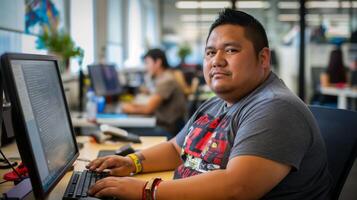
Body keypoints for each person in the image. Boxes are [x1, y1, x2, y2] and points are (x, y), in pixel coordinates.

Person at [86, 9, 332, 199]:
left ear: (263, 58)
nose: (217, 61)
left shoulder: (276, 107)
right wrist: (133, 162)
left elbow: (237, 188)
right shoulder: (217, 103)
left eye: (231, 50)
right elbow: (175, 150)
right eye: (210, 52)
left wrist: (147, 191)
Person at [121, 48, 187, 138]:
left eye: (148, 63)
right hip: (168, 126)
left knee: (124, 130)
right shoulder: (164, 77)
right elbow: (151, 103)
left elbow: (148, 109)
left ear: (158, 62)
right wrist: (133, 106)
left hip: (167, 130)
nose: (146, 67)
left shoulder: (166, 80)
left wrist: (127, 108)